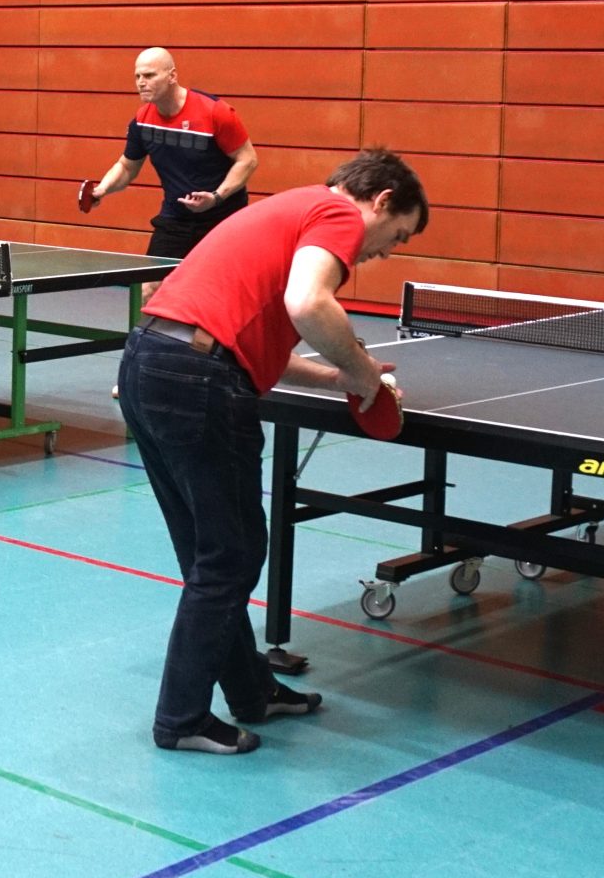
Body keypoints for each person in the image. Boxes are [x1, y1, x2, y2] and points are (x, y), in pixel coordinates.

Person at [121, 148, 428, 754]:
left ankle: (251, 690)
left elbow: (248, 336)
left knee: (213, 552)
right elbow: (308, 304)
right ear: (382, 200)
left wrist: (335, 377)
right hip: (196, 380)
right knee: (230, 556)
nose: (385, 253)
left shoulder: (288, 209)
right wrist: (363, 372)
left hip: (149, 363)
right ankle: (180, 719)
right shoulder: (336, 214)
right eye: (397, 236)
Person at [76, 48, 259, 276]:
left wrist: (216, 197)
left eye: (149, 75)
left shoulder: (215, 112)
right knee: (149, 287)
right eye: (137, 76)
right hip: (176, 217)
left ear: (172, 76)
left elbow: (248, 160)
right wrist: (103, 189)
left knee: (218, 287)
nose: (141, 82)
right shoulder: (143, 121)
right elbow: (127, 166)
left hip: (223, 216)